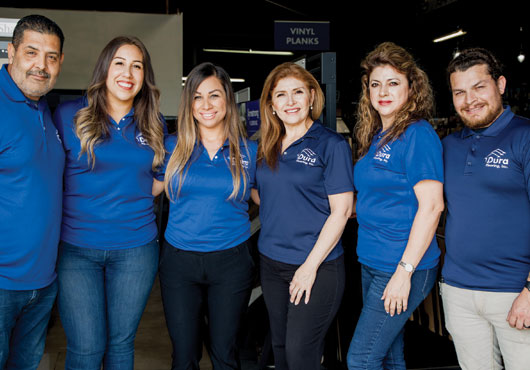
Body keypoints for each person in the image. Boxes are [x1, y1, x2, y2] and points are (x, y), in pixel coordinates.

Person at [53, 36, 166, 369]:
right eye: (119, 63)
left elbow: (159, 178)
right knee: (86, 349)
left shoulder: (153, 122)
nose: (127, 72)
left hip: (136, 249)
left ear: (145, 76)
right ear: (104, 68)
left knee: (120, 346)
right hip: (76, 249)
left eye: (137, 65)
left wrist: (130, 198)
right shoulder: (68, 115)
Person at [346, 42, 444, 370]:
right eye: (375, 84)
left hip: (401, 265)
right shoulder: (376, 135)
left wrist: (404, 273)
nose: (383, 92)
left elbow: (431, 207)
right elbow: (375, 197)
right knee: (388, 353)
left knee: (361, 358)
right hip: (372, 260)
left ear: (411, 88)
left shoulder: (418, 135)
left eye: (393, 83)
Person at [252, 62, 354, 370]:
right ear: (271, 104)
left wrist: (309, 267)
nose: (290, 101)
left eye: (298, 92)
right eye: (281, 95)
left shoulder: (331, 145)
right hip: (271, 262)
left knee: (300, 355)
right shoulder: (266, 145)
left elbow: (343, 210)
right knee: (281, 349)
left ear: (312, 96)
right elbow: (261, 193)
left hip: (317, 267)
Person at [160, 62, 257, 370]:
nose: (206, 105)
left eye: (214, 95)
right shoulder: (171, 147)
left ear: (227, 100)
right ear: (189, 103)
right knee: (184, 356)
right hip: (179, 262)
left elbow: (273, 198)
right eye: (197, 96)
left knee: (225, 355)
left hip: (231, 261)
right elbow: (137, 187)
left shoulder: (250, 152)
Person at [441, 47, 530, 370]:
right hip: (458, 291)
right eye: (459, 92)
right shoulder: (448, 146)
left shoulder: (524, 136)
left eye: (479, 87)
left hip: (515, 291)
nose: (470, 100)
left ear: (501, 85)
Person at [0, 14, 65, 370]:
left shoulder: (45, 110)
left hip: (43, 285)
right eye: (31, 52)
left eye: (51, 57)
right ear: (11, 52)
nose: (41, 65)